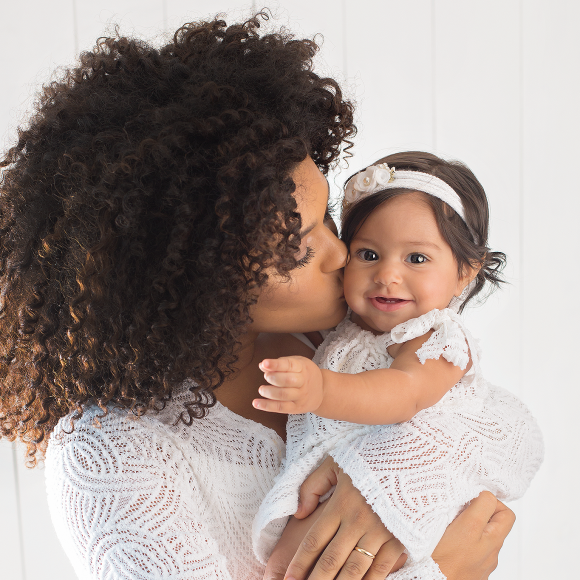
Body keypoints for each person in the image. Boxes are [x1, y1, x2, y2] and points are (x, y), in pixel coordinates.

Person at [0, 13, 516, 580]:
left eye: (327, 218)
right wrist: (439, 570)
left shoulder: (337, 334)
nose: (342, 255)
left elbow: (514, 434)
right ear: (198, 272)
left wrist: (391, 480)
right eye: (298, 245)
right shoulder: (109, 455)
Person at [253, 152, 543, 578]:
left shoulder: (434, 337)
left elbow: (404, 393)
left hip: (400, 499)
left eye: (416, 259)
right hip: (327, 491)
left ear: (466, 273)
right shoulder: (342, 327)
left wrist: (321, 391)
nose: (388, 275)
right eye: (368, 254)